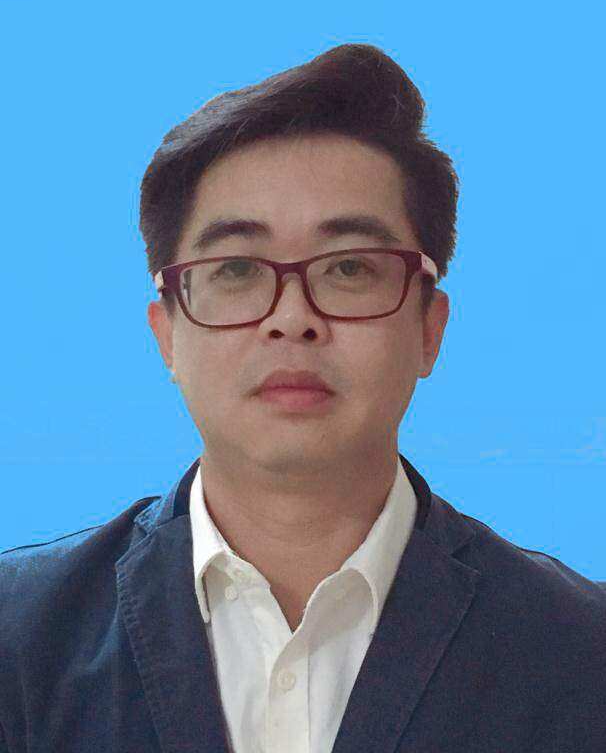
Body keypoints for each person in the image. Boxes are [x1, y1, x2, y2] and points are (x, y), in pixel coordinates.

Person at [1, 43, 604, 753]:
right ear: (167, 334)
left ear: (429, 329)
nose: (292, 318)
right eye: (236, 269)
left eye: (349, 267)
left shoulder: (578, 650)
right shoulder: (21, 636)